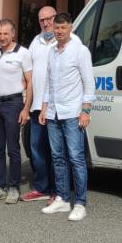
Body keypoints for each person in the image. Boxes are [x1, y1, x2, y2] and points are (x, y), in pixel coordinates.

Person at [39, 13, 95, 221]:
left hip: (73, 113)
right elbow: (48, 83)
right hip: (53, 113)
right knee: (57, 158)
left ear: (70, 27)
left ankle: (80, 202)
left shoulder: (80, 51)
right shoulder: (52, 52)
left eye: (63, 27)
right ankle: (62, 198)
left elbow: (89, 83)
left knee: (76, 158)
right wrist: (44, 108)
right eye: (56, 28)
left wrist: (86, 111)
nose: (59, 31)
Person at [20, 6, 75, 204]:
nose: (46, 23)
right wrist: (27, 105)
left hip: (57, 107)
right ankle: (41, 187)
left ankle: (57, 190)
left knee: (56, 151)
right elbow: (30, 73)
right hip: (36, 106)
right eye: (42, 20)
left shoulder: (68, 41)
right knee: (36, 148)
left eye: (49, 19)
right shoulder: (36, 41)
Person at [0, 18, 32, 204]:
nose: (2, 37)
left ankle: (13, 187)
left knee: (12, 148)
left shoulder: (23, 53)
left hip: (13, 104)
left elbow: (30, 82)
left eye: (6, 33)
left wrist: (26, 108)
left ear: (13, 34)